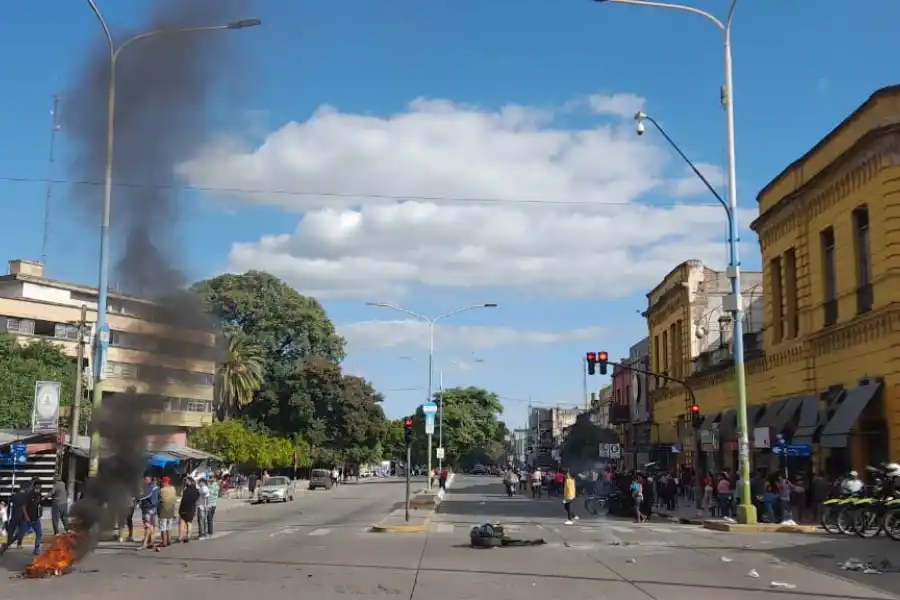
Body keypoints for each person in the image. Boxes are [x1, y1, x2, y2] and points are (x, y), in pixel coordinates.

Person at [138, 475, 160, 550]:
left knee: (148, 526)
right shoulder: (157, 488)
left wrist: (137, 496)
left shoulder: (150, 488)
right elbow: (159, 499)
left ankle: (145, 543)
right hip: (153, 509)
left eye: (146, 479)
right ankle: (151, 542)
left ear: (150, 480)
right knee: (151, 526)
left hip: (147, 509)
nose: (144, 481)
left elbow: (143, 496)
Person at [157, 476, 177, 548]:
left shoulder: (161, 490)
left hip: (163, 510)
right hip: (171, 510)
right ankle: (169, 540)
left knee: (163, 527)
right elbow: (174, 500)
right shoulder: (173, 489)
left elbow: (158, 500)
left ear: (163, 482)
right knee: (169, 526)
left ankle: (164, 542)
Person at [178, 478, 199, 543]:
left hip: (185, 508)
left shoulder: (187, 490)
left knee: (182, 522)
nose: (185, 482)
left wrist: (180, 510)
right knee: (189, 522)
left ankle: (181, 537)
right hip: (192, 508)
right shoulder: (196, 490)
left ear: (190, 482)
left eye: (186, 481)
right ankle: (188, 536)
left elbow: (184, 500)